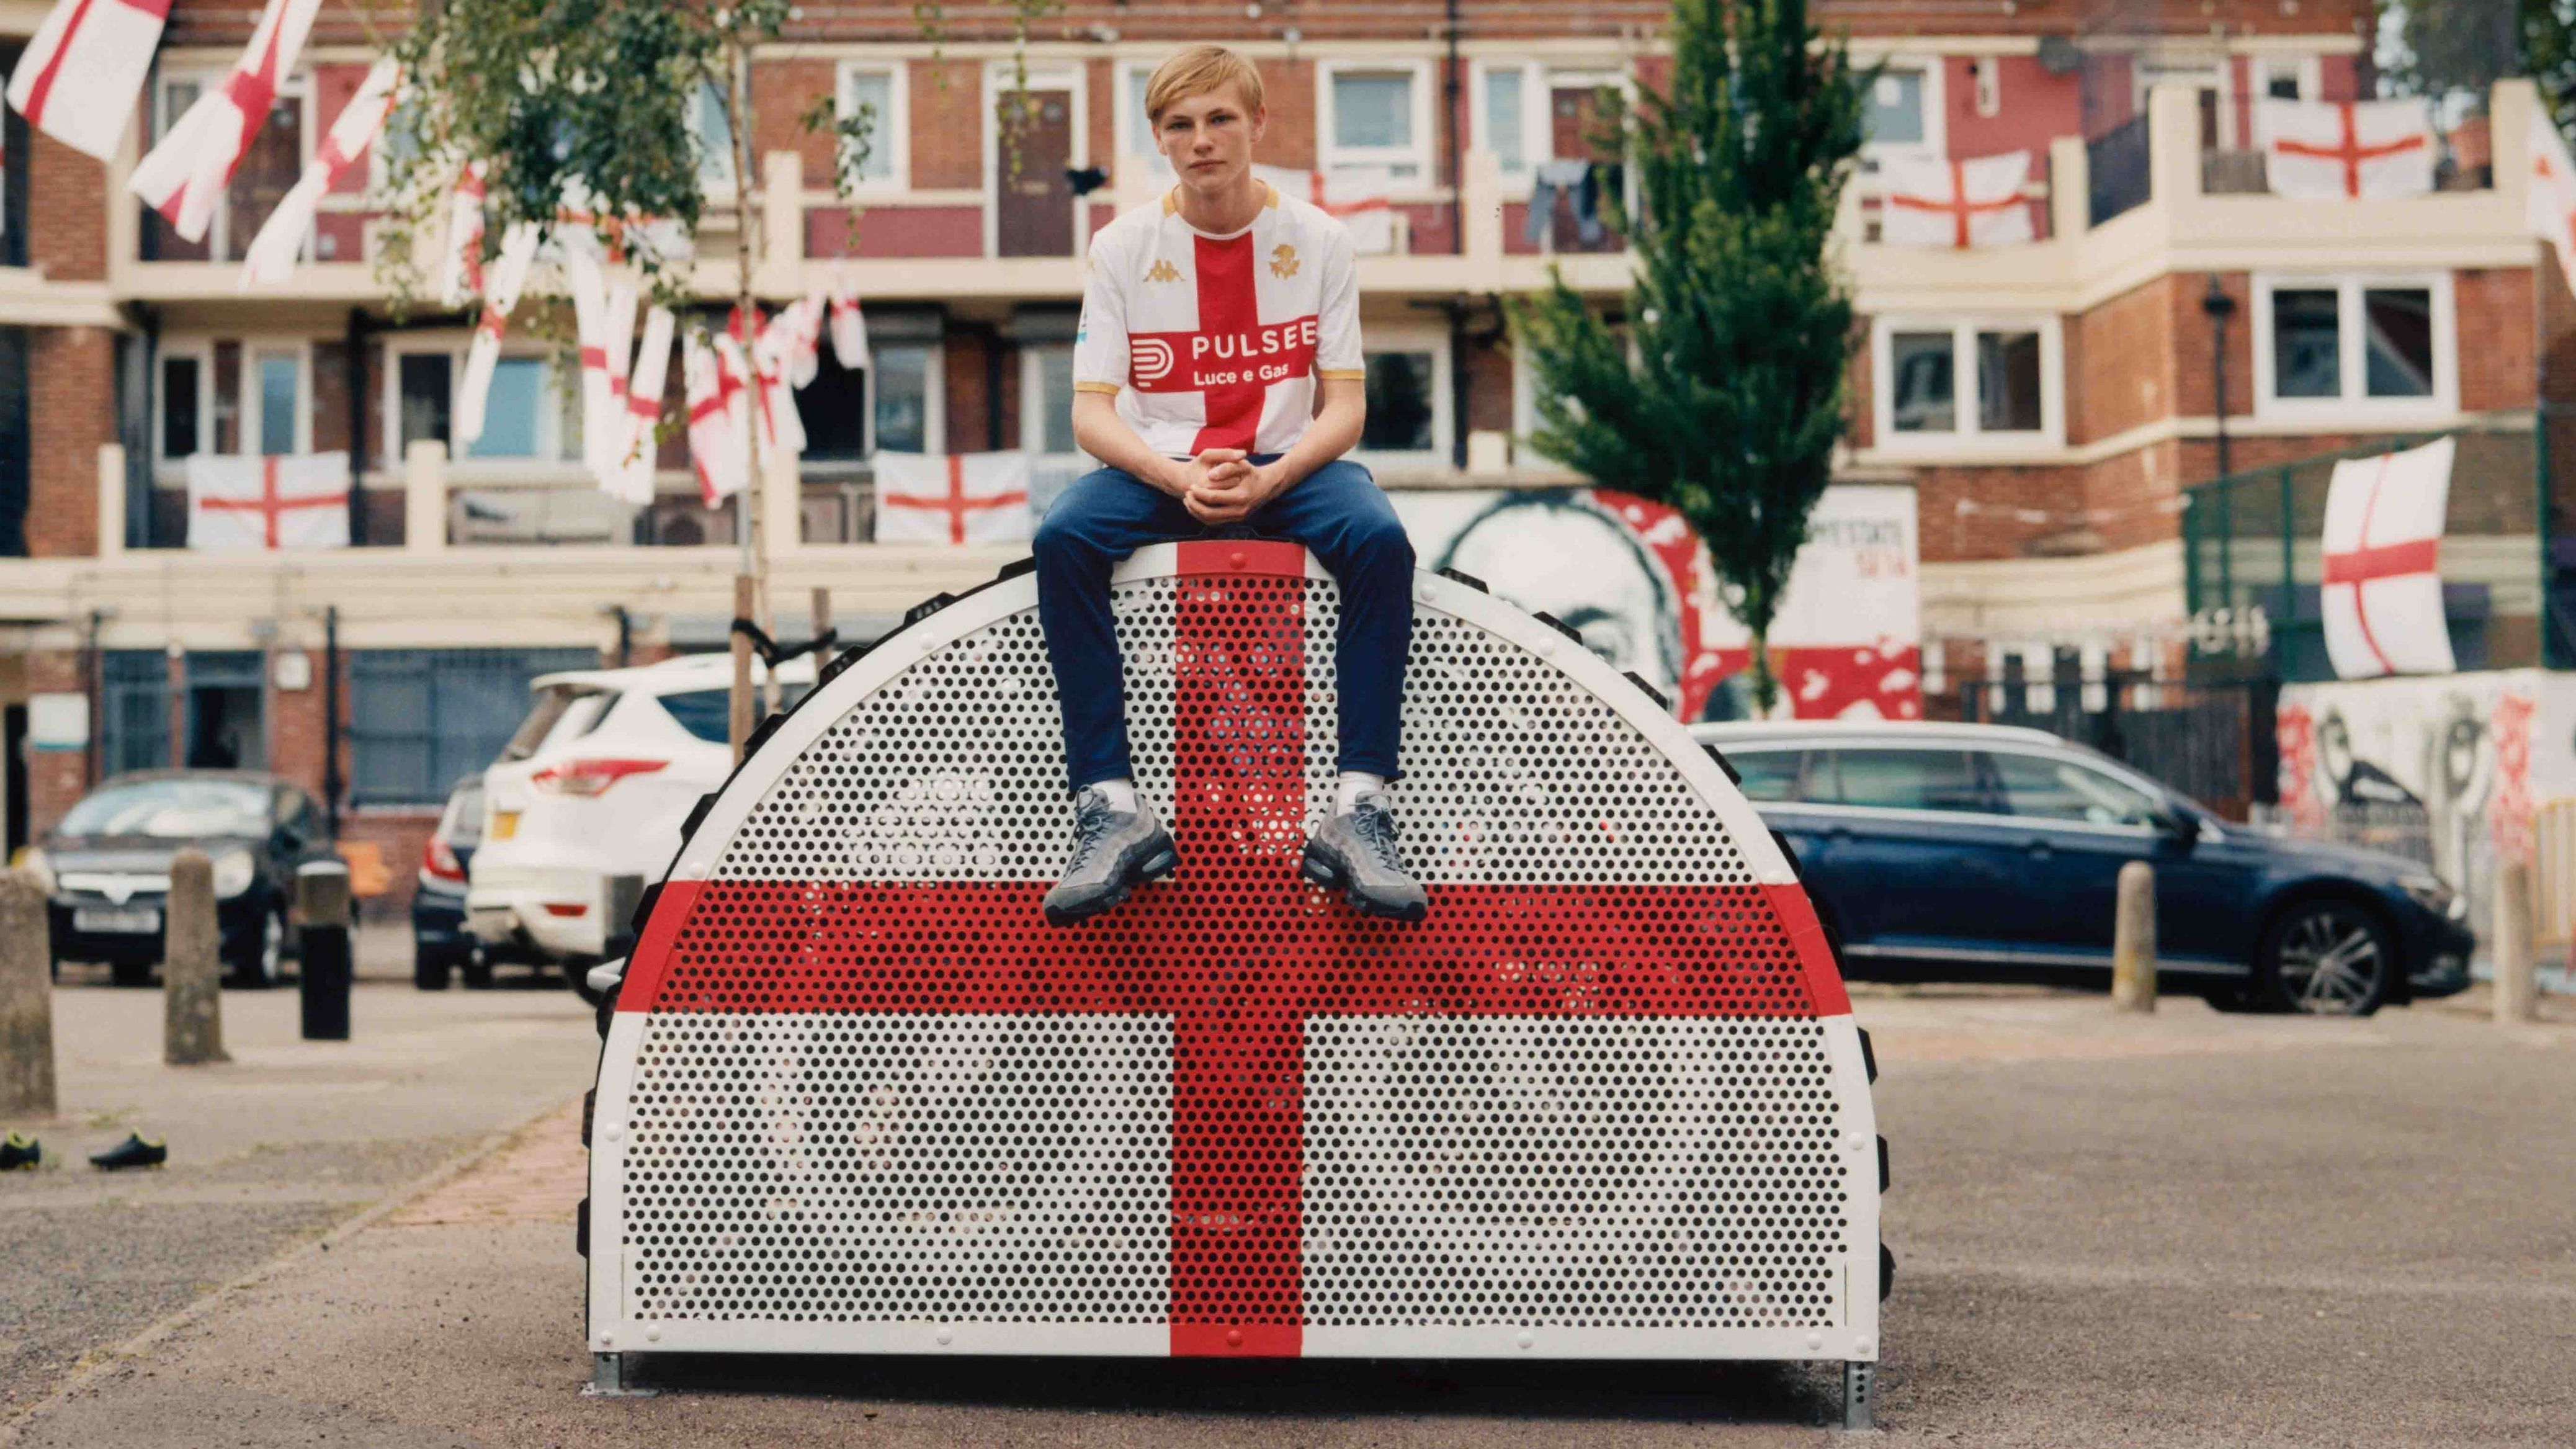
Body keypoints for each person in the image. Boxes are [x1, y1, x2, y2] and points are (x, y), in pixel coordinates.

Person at [1034, 43, 1425, 928]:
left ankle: (1360, 807)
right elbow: (1092, 418)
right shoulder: (1123, 245)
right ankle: (1109, 806)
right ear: (1158, 141)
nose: (1202, 140)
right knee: (1064, 538)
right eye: (1180, 124)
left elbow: (1346, 409)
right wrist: (1173, 474)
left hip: (1288, 465)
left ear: (1257, 124)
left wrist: (1275, 474)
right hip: (1166, 466)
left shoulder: (1319, 238)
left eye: (1219, 119)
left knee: (1380, 542)